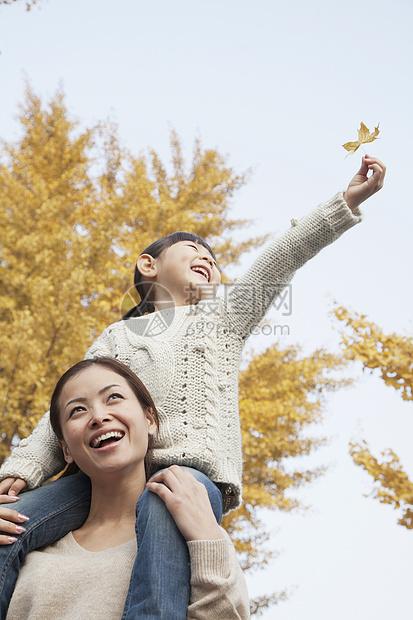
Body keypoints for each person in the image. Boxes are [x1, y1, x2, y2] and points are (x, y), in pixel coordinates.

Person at [0, 156, 386, 616]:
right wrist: (21, 469)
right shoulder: (114, 336)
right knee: (12, 522)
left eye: (214, 259)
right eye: (194, 249)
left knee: (164, 510)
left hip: (184, 474)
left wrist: (344, 203)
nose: (208, 257)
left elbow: (281, 257)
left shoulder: (222, 317)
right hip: (105, 475)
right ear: (149, 265)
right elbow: (67, 410)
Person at [4, 357, 250, 619]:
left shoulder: (197, 538)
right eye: (77, 410)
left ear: (150, 420)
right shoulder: (29, 555)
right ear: (66, 450)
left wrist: (206, 539)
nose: (99, 417)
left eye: (113, 397)